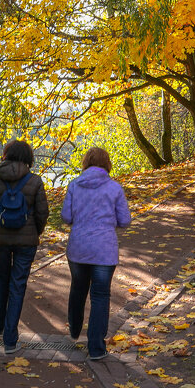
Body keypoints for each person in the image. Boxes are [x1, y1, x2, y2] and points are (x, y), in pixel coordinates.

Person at [62, 147, 132, 361]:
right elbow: (125, 220)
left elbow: (66, 216)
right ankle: (96, 348)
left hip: (78, 248)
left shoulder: (74, 185)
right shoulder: (114, 188)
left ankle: (74, 328)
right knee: (100, 296)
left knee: (78, 288)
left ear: (86, 163)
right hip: (104, 250)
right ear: (107, 164)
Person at [0, 139, 49, 354]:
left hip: (1, 240)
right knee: (17, 284)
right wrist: (34, 232)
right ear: (28, 157)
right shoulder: (35, 181)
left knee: (2, 278)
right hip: (26, 242)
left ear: (6, 155)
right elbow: (42, 213)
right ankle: (11, 340)